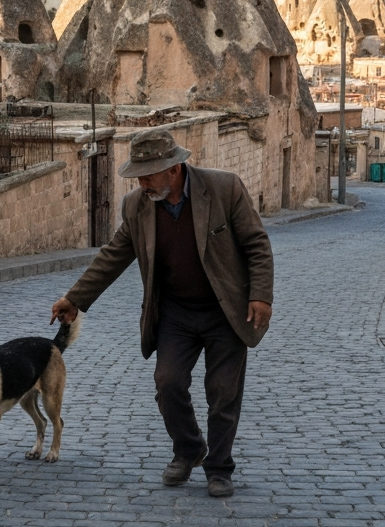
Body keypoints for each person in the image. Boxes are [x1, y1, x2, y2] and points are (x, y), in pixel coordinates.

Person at [50, 128, 273, 498]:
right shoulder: (137, 205)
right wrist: (75, 298)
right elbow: (115, 254)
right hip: (175, 313)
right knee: (167, 383)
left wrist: (261, 295)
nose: (142, 182)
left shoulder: (224, 189)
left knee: (222, 392)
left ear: (174, 169)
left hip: (224, 311)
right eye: (138, 175)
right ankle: (189, 449)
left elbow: (256, 244)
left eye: (149, 173)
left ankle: (219, 468)